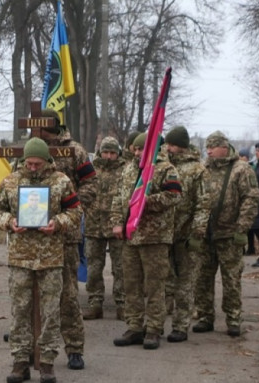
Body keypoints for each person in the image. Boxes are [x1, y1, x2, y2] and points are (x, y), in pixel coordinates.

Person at [0, 137, 82, 383]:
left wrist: (57, 223)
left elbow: (75, 211)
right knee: (20, 310)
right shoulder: (10, 181)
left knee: (51, 311)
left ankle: (48, 362)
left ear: (46, 161)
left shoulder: (61, 181)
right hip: (20, 257)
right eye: (29, 164)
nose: (32, 168)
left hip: (51, 258)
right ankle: (20, 361)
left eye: (37, 164)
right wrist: (10, 222)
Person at [111, 132, 182, 350]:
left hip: (155, 237)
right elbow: (119, 197)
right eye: (135, 149)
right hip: (130, 237)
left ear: (151, 149)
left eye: (141, 149)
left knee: (154, 285)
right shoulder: (129, 168)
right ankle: (134, 326)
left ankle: (153, 329)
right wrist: (116, 222)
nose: (137, 152)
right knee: (131, 284)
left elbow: (174, 196)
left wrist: (146, 202)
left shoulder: (166, 169)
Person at [39, 108, 97, 370]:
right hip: (33, 236)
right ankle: (31, 339)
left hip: (65, 235)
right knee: (32, 292)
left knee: (68, 294)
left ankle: (74, 347)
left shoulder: (76, 151)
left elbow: (91, 184)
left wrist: (71, 207)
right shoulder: (30, 149)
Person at [193, 131, 259, 337]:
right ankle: (205, 317)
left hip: (230, 235)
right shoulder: (203, 169)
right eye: (208, 147)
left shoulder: (241, 169)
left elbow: (250, 200)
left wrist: (242, 229)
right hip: (205, 234)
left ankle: (233, 319)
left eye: (213, 147)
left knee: (231, 279)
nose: (209, 150)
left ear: (225, 147)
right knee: (202, 277)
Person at [163, 126, 210, 343]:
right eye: (168, 144)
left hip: (186, 234)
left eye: (172, 144)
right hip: (163, 233)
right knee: (164, 281)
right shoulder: (163, 165)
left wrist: (197, 232)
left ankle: (180, 325)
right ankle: (155, 323)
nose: (168, 147)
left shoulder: (197, 170)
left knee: (185, 282)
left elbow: (203, 204)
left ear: (181, 145)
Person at [82, 136, 126, 321]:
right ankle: (95, 303)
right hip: (94, 225)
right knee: (93, 268)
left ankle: (123, 304)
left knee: (121, 267)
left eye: (113, 153)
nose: (109, 156)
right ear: (100, 152)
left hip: (118, 226)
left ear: (118, 153)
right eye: (106, 152)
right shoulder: (91, 171)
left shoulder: (126, 170)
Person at [239, 148, 257, 255]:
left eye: (241, 156)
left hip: (248, 200)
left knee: (249, 227)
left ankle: (251, 247)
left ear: (245, 157)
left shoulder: (251, 168)